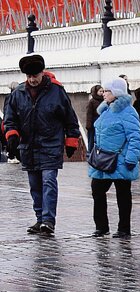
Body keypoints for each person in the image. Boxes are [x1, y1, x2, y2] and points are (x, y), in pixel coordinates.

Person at [2, 54, 81, 236]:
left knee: (48, 182)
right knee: (35, 186)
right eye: (29, 76)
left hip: (51, 145)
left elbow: (70, 118)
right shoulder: (18, 93)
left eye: (35, 76)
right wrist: (12, 135)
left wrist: (71, 139)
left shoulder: (57, 91)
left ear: (42, 73)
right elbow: (10, 118)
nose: (32, 80)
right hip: (28, 147)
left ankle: (48, 220)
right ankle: (40, 219)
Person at [89, 77, 140, 239]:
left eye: (107, 91)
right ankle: (101, 227)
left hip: (121, 161)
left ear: (117, 92)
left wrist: (131, 158)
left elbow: (135, 137)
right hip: (102, 160)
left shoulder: (128, 112)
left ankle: (124, 229)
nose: (103, 93)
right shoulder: (105, 110)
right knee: (97, 191)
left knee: (123, 194)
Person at [84, 84, 103, 152]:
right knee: (91, 138)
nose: (102, 93)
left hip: (101, 121)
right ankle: (90, 152)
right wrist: (89, 125)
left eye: (102, 91)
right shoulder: (92, 101)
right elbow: (89, 114)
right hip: (93, 121)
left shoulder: (104, 101)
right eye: (100, 91)